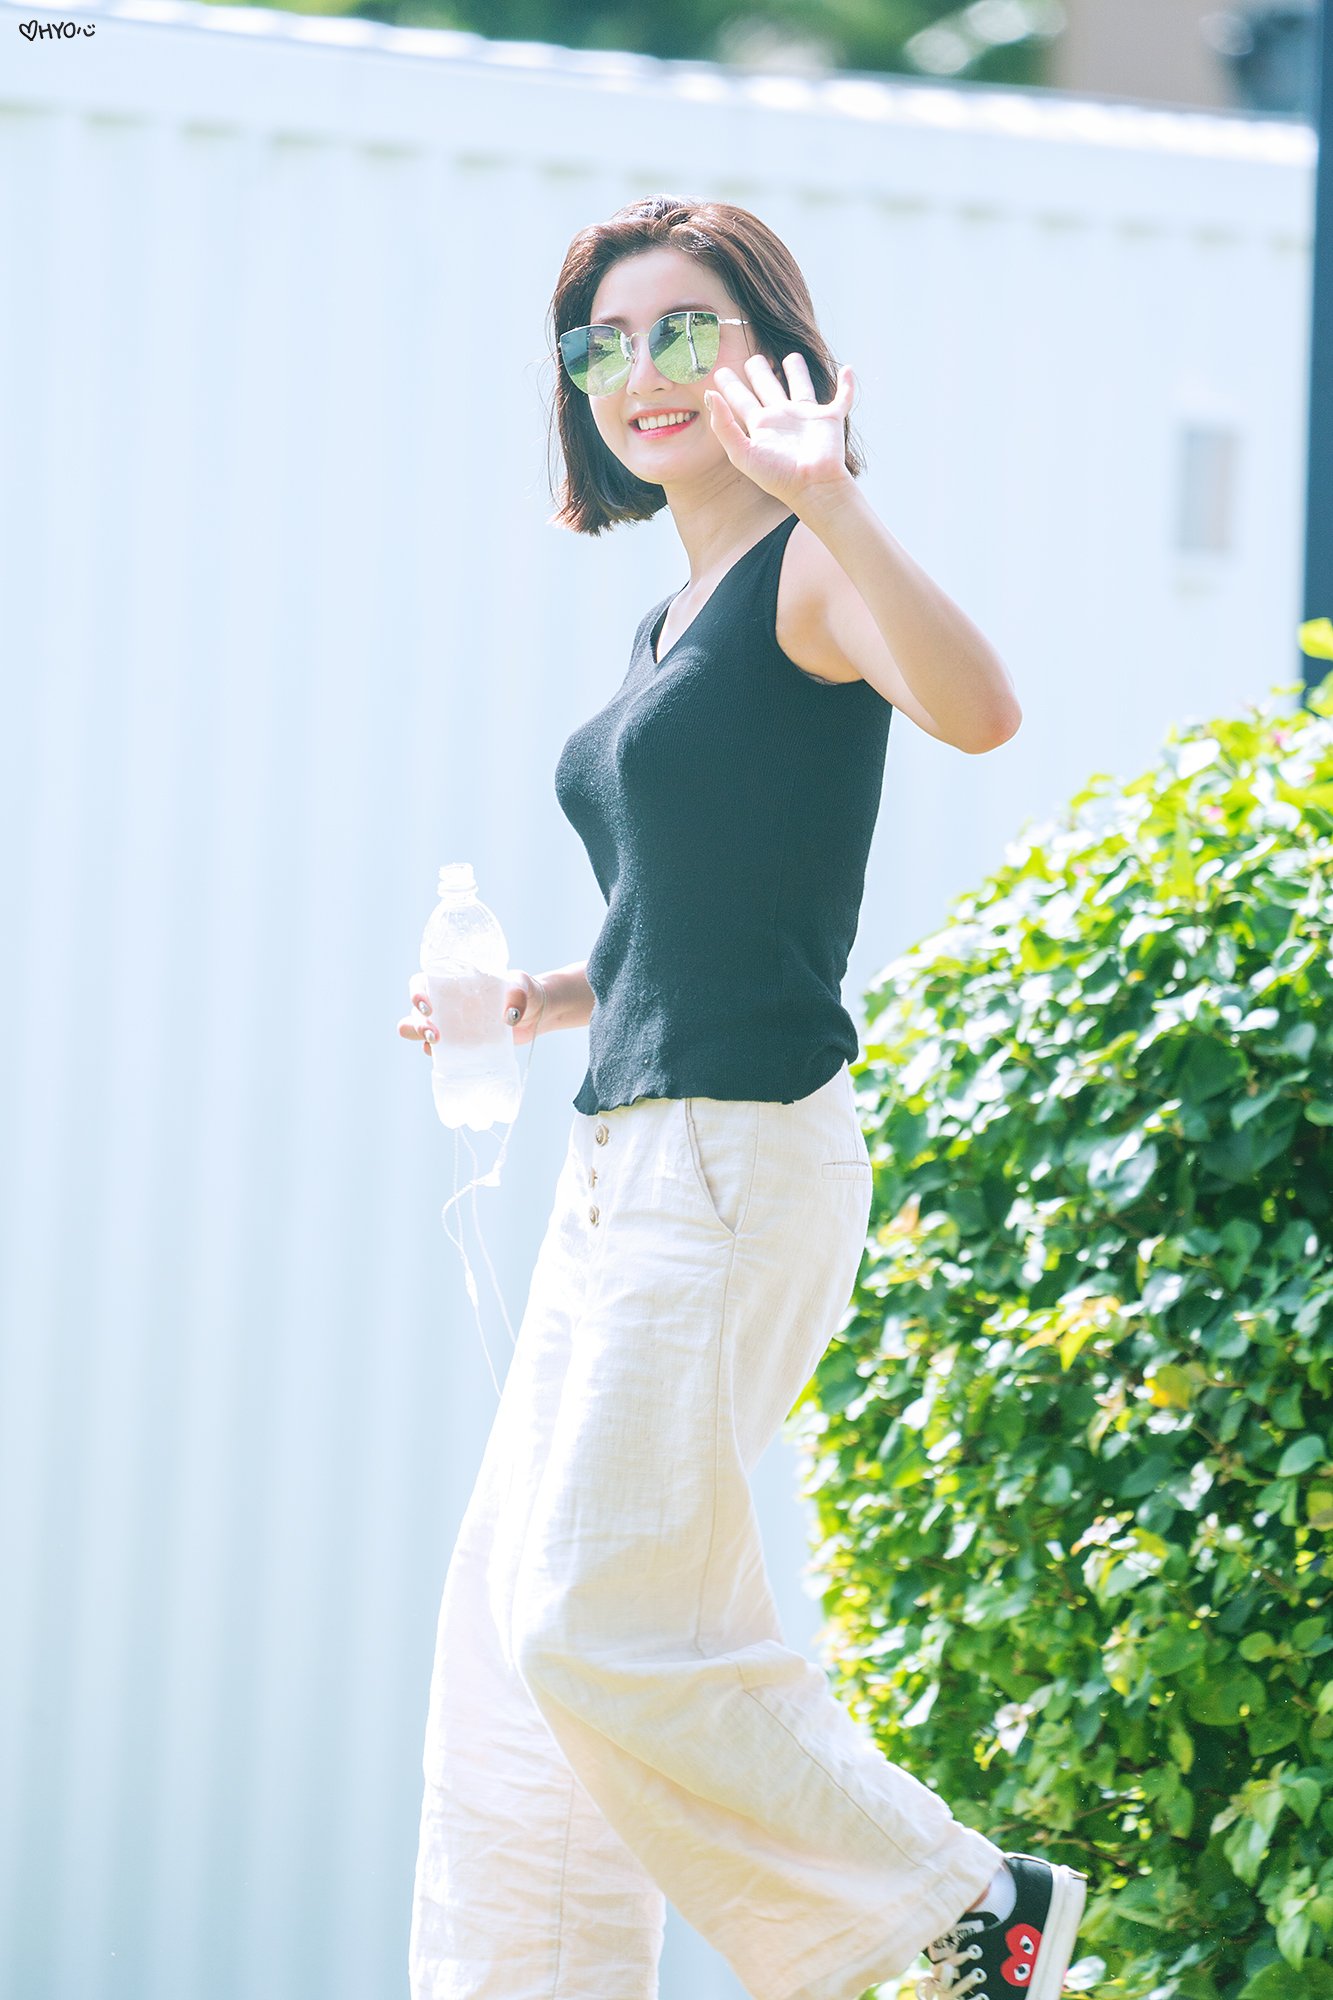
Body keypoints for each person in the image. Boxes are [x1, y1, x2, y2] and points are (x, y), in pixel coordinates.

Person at [396, 193, 1087, 2000]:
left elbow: (983, 712)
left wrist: (835, 493)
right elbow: (701, 901)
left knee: (598, 1620)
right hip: (624, 1153)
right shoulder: (673, 616)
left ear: (768, 355)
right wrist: (547, 997)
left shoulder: (806, 566)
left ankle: (964, 1905)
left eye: (683, 329)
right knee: (509, 1652)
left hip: (732, 1153)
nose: (641, 371)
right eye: (603, 343)